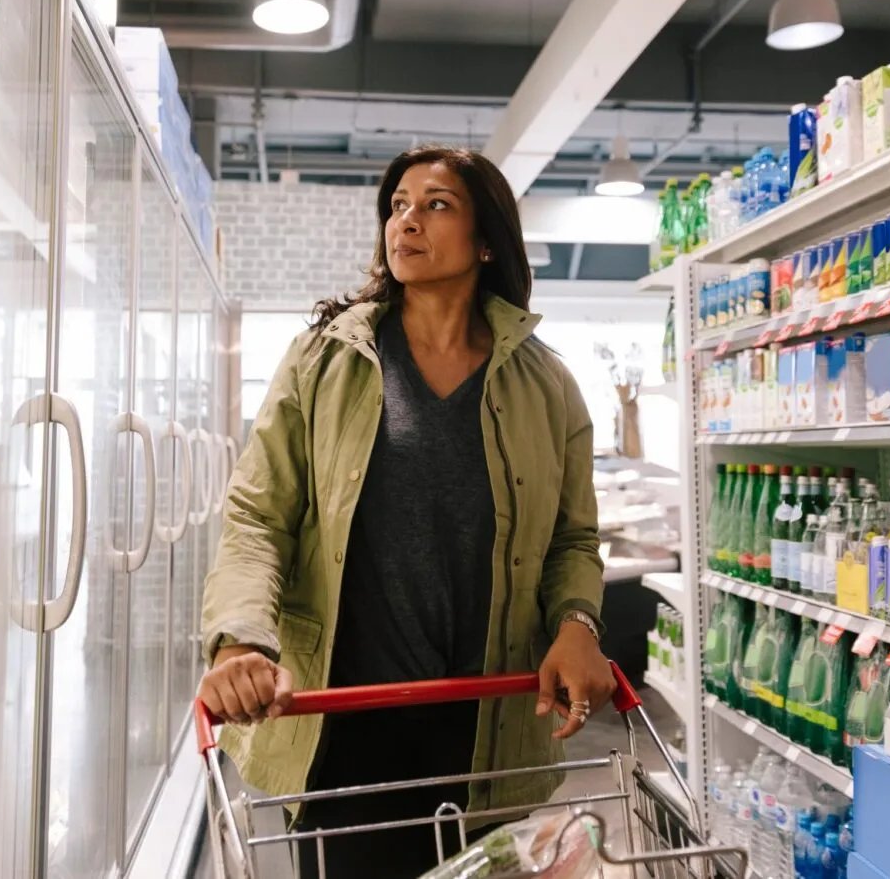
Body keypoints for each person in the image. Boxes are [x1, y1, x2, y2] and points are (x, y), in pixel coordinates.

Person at [198, 146, 613, 878]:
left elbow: (573, 538)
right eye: (397, 206)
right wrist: (240, 641)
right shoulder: (324, 362)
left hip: (487, 725)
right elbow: (258, 518)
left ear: (488, 241)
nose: (407, 221)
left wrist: (577, 624)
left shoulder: (546, 385)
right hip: (346, 725)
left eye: (436, 204)